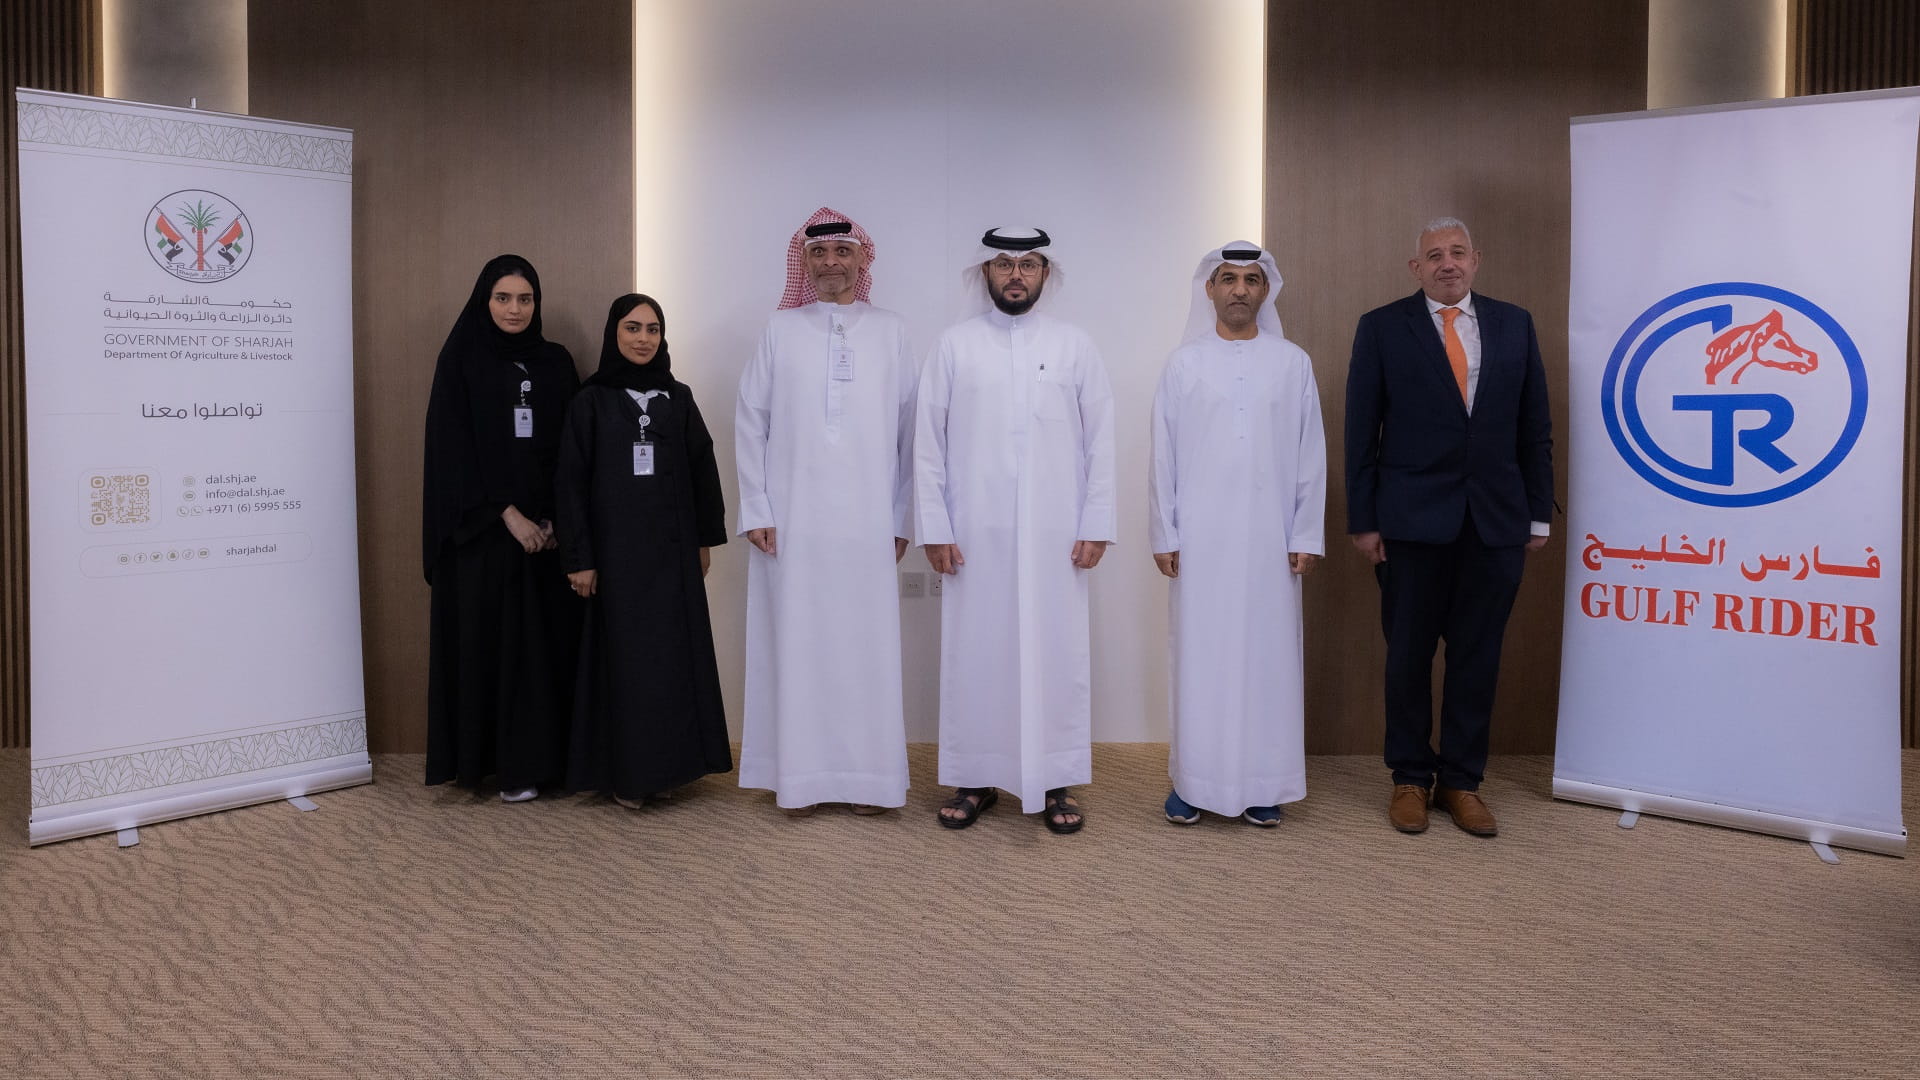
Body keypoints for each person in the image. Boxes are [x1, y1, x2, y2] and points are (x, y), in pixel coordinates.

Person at [1344, 218, 1554, 837]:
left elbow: (1534, 427)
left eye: (1457, 252)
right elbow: (1361, 432)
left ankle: (1462, 782)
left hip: (1496, 521)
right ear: (1417, 268)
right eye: (1434, 255)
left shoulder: (1515, 323)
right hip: (1409, 523)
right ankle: (1410, 777)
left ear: (1476, 259)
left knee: (1477, 657)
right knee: (1408, 657)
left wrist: (1537, 512)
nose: (1447, 263)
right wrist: (1364, 520)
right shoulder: (1382, 327)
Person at [917, 227, 1116, 834]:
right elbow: (927, 444)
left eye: (1028, 264)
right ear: (985, 273)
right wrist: (934, 525)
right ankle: (975, 778)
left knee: (1055, 652)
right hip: (973, 533)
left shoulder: (1075, 345)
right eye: (1004, 264)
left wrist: (1097, 522)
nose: (1016, 275)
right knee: (976, 652)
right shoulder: (953, 346)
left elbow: (1101, 441)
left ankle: (1054, 779)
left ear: (1044, 275)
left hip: (1058, 534)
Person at [735, 207, 916, 817]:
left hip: (868, 519)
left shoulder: (891, 331)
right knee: (798, 642)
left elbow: (910, 432)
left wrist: (901, 516)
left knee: (865, 647)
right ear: (804, 262)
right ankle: (800, 779)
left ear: (862, 259)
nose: (830, 263)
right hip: (793, 520)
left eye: (842, 252)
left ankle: (870, 781)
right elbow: (750, 420)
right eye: (818, 253)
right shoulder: (779, 330)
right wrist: (757, 507)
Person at [1149, 242, 1325, 827]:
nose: (1240, 290)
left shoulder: (1293, 363)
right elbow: (1162, 455)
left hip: (1271, 541)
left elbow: (1311, 455)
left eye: (1251, 280)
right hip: (1200, 542)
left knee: (1268, 660)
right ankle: (1193, 783)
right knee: (1201, 658)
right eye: (1228, 279)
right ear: (1210, 289)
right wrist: (1164, 532)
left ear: (1265, 290)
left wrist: (1306, 534)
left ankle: (1263, 783)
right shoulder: (1183, 364)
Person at [555, 294, 731, 808]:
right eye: (633, 328)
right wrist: (580, 558)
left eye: (653, 329)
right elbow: (570, 482)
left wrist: (703, 540)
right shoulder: (591, 401)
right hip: (615, 561)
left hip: (672, 558)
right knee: (626, 667)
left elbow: (703, 470)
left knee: (670, 664)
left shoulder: (678, 397)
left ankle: (671, 768)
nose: (643, 339)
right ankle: (629, 777)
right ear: (614, 333)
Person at [421, 253, 581, 801]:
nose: (515, 309)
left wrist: (555, 516)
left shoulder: (555, 362)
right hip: (484, 537)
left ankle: (544, 765)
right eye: (503, 298)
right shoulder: (461, 359)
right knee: (494, 649)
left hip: (547, 538)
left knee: (542, 652)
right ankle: (499, 769)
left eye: (525, 298)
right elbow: (450, 451)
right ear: (484, 300)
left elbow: (571, 447)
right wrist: (507, 515)